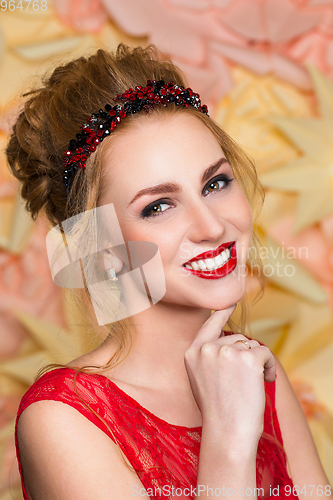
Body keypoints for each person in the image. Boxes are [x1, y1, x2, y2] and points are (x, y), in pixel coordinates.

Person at [6, 44, 331, 500]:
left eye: (215, 183)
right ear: (101, 248)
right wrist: (230, 442)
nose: (213, 226)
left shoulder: (251, 369)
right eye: (158, 206)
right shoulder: (63, 419)